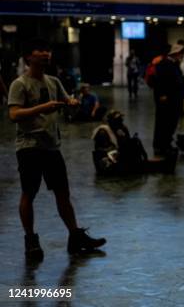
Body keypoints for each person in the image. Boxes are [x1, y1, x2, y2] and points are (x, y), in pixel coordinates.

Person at [7, 38, 106, 261]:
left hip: (52, 147)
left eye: (47, 50)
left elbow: (66, 100)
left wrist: (72, 103)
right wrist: (44, 107)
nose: (45, 54)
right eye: (40, 50)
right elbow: (13, 114)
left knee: (63, 193)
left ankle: (75, 236)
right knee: (28, 194)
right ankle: (31, 240)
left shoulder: (53, 81)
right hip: (29, 147)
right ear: (29, 57)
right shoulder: (20, 84)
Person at [152, 43, 184, 157]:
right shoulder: (164, 64)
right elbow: (159, 81)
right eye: (180, 53)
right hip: (166, 100)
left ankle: (166, 143)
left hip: (173, 99)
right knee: (164, 123)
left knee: (171, 123)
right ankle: (161, 145)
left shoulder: (173, 64)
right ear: (175, 54)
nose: (181, 55)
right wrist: (162, 94)